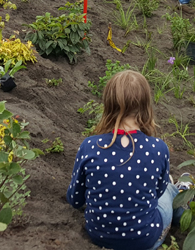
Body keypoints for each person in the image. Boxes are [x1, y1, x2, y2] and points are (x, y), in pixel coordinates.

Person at [67, 70, 185, 250]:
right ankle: (184, 198)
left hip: (99, 237)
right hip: (145, 240)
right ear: (146, 106)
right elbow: (157, 193)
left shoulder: (89, 146)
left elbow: (75, 199)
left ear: (108, 104)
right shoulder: (158, 148)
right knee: (168, 190)